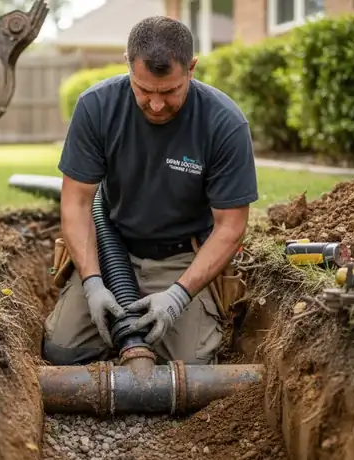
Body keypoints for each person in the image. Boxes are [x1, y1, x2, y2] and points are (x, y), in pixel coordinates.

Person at [42, 15, 258, 366]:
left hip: (182, 258)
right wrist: (93, 284)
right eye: (144, 90)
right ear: (127, 64)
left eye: (169, 91)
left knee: (193, 366)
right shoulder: (97, 107)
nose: (156, 105)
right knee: (62, 352)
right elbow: (77, 204)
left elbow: (231, 227)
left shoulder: (223, 123)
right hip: (111, 250)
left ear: (191, 68)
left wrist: (178, 297)